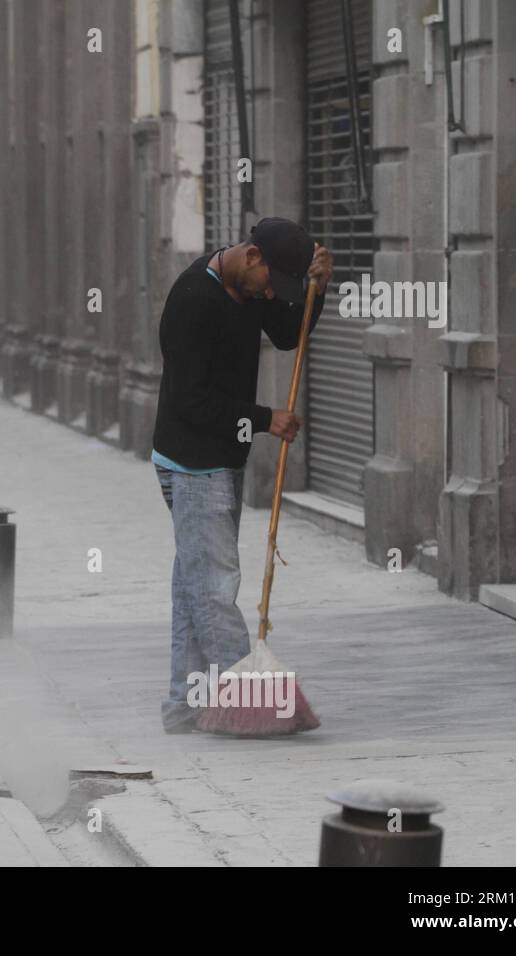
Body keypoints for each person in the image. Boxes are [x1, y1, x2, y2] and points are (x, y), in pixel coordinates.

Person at [152, 217, 332, 734]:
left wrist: (316, 289)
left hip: (218, 460)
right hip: (192, 465)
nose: (274, 293)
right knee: (213, 587)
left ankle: (184, 706)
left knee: (193, 586)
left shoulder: (251, 288)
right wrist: (263, 419)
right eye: (273, 282)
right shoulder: (192, 300)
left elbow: (285, 333)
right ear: (252, 257)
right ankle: (250, 710)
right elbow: (189, 401)